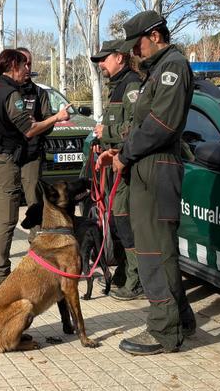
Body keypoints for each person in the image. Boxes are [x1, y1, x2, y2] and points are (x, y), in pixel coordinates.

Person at [99, 10, 197, 355]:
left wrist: (125, 156)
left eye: (136, 44)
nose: (133, 52)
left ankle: (162, 331)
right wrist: (119, 151)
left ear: (155, 35)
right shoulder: (157, 70)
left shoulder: (173, 67)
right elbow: (140, 127)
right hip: (146, 164)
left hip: (157, 167)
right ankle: (180, 320)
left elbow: (161, 125)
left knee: (155, 252)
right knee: (158, 249)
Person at [0, 49, 71, 294]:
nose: (28, 70)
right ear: (13, 65)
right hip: (2, 164)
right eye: (24, 65)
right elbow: (29, 129)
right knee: (6, 222)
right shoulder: (10, 93)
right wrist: (57, 117)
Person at [90, 39, 144, 301]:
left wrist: (107, 133)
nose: (101, 63)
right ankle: (124, 273)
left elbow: (136, 126)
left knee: (124, 221)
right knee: (115, 221)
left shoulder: (132, 84)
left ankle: (136, 281)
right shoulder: (116, 86)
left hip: (127, 166)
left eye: (104, 58)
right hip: (113, 163)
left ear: (120, 58)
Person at [15, 47, 54, 241]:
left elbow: (49, 123)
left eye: (29, 63)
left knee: (34, 201)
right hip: (8, 155)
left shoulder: (39, 93)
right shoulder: (6, 90)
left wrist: (35, 125)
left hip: (31, 155)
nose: (27, 67)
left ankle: (36, 243)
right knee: (7, 203)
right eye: (23, 63)